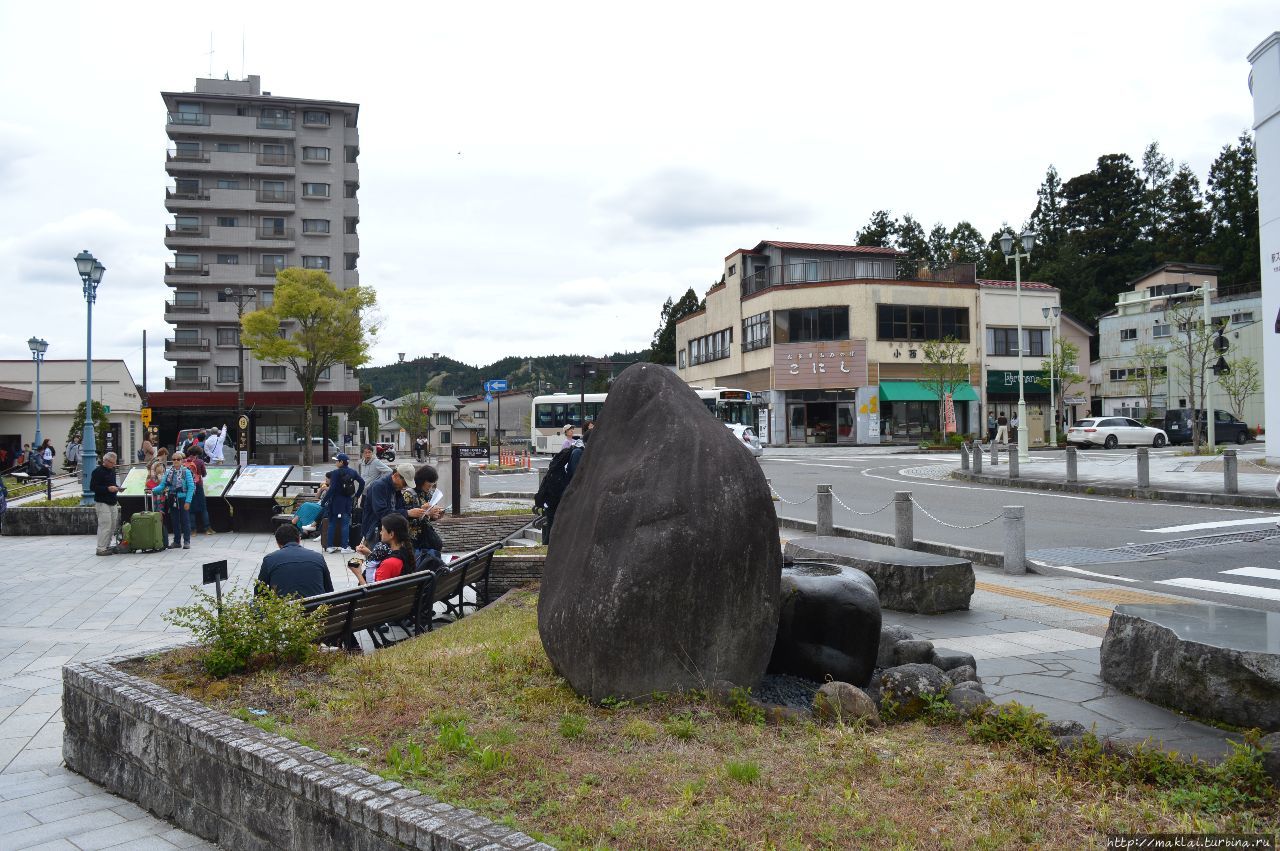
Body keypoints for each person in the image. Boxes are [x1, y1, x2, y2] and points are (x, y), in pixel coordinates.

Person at [257, 524, 333, 599]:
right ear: (299, 540)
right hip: (315, 608)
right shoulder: (318, 557)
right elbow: (329, 590)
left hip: (285, 610)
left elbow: (259, 592)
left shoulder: (270, 559)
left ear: (277, 543)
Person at [359, 462, 416, 550]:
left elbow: (400, 508)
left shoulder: (396, 488)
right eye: (405, 483)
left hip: (389, 532)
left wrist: (417, 511)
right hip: (375, 532)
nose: (405, 487)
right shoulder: (379, 486)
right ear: (396, 475)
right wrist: (407, 513)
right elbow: (382, 513)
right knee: (375, 562)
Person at [320, 453, 364, 553]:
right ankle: (345, 546)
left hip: (335, 502)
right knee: (345, 524)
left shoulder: (335, 473)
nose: (336, 462)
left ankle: (330, 546)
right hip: (347, 501)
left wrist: (324, 501)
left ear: (341, 462)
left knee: (332, 523)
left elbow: (332, 489)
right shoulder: (353, 472)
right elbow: (362, 482)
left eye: (337, 461)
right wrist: (357, 495)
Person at [152, 452, 195, 549]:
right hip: (172, 497)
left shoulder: (186, 471)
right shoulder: (168, 472)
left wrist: (188, 501)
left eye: (178, 459)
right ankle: (177, 541)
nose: (176, 461)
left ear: (182, 461)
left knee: (185, 520)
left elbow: (191, 487)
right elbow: (163, 485)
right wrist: (153, 490)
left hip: (183, 498)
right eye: (174, 459)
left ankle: (187, 541)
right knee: (174, 520)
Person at [409, 465, 446, 560]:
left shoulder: (428, 494)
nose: (430, 487)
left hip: (426, 536)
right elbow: (407, 518)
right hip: (414, 539)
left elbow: (428, 517)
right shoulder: (409, 494)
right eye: (429, 484)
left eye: (432, 485)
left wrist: (435, 515)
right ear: (421, 481)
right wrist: (426, 513)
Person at [90, 452, 121, 556]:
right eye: (111, 462)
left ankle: (107, 545)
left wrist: (117, 488)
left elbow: (112, 483)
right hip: (102, 501)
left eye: (114, 462)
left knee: (112, 525)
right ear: (106, 461)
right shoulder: (97, 472)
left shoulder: (112, 470)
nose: (113, 464)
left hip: (112, 500)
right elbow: (93, 487)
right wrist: (107, 489)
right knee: (105, 525)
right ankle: (101, 547)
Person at [185, 452, 213, 535]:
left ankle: (193, 530)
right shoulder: (200, 461)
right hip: (198, 485)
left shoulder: (185, 462)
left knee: (191, 510)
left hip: (189, 487)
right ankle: (207, 528)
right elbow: (204, 473)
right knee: (203, 508)